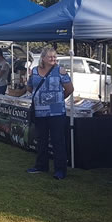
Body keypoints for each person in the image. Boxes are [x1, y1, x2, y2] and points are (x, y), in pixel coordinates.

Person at [26, 46, 74, 180]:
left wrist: (57, 99)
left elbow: (69, 89)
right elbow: (30, 87)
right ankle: (41, 165)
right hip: (39, 112)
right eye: (50, 56)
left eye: (54, 56)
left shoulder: (60, 71)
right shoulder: (35, 71)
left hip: (56, 113)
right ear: (43, 58)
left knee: (57, 140)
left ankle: (60, 170)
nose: (53, 59)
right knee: (41, 140)